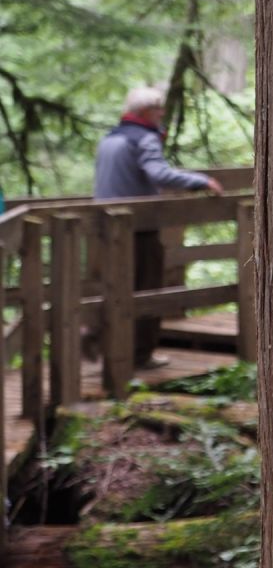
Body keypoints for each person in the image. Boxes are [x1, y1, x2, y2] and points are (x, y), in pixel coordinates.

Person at [94, 86, 224, 366]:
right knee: (146, 289)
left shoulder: (110, 139)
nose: (162, 113)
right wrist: (201, 181)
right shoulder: (144, 139)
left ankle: (110, 351)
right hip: (139, 226)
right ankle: (140, 355)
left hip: (107, 226)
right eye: (157, 109)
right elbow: (159, 173)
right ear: (144, 112)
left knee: (115, 288)